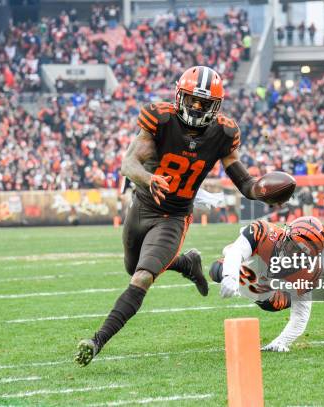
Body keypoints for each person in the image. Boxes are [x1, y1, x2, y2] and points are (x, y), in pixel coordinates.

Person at [74, 66, 273, 366]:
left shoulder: (223, 133)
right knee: (133, 267)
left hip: (174, 216)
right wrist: (148, 178)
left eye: (202, 103)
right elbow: (129, 164)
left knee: (142, 277)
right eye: (191, 99)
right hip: (142, 206)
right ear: (179, 96)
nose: (195, 107)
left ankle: (97, 340)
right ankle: (186, 262)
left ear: (215, 106)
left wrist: (263, 191)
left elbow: (246, 184)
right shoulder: (161, 119)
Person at [209, 216, 324, 352]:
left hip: (280, 281)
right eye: (291, 244)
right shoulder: (265, 233)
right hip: (258, 262)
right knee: (217, 270)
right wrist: (230, 276)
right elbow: (237, 250)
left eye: (298, 252)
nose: (290, 252)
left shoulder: (309, 272)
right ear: (287, 233)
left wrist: (281, 342)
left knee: (271, 304)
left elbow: (300, 316)